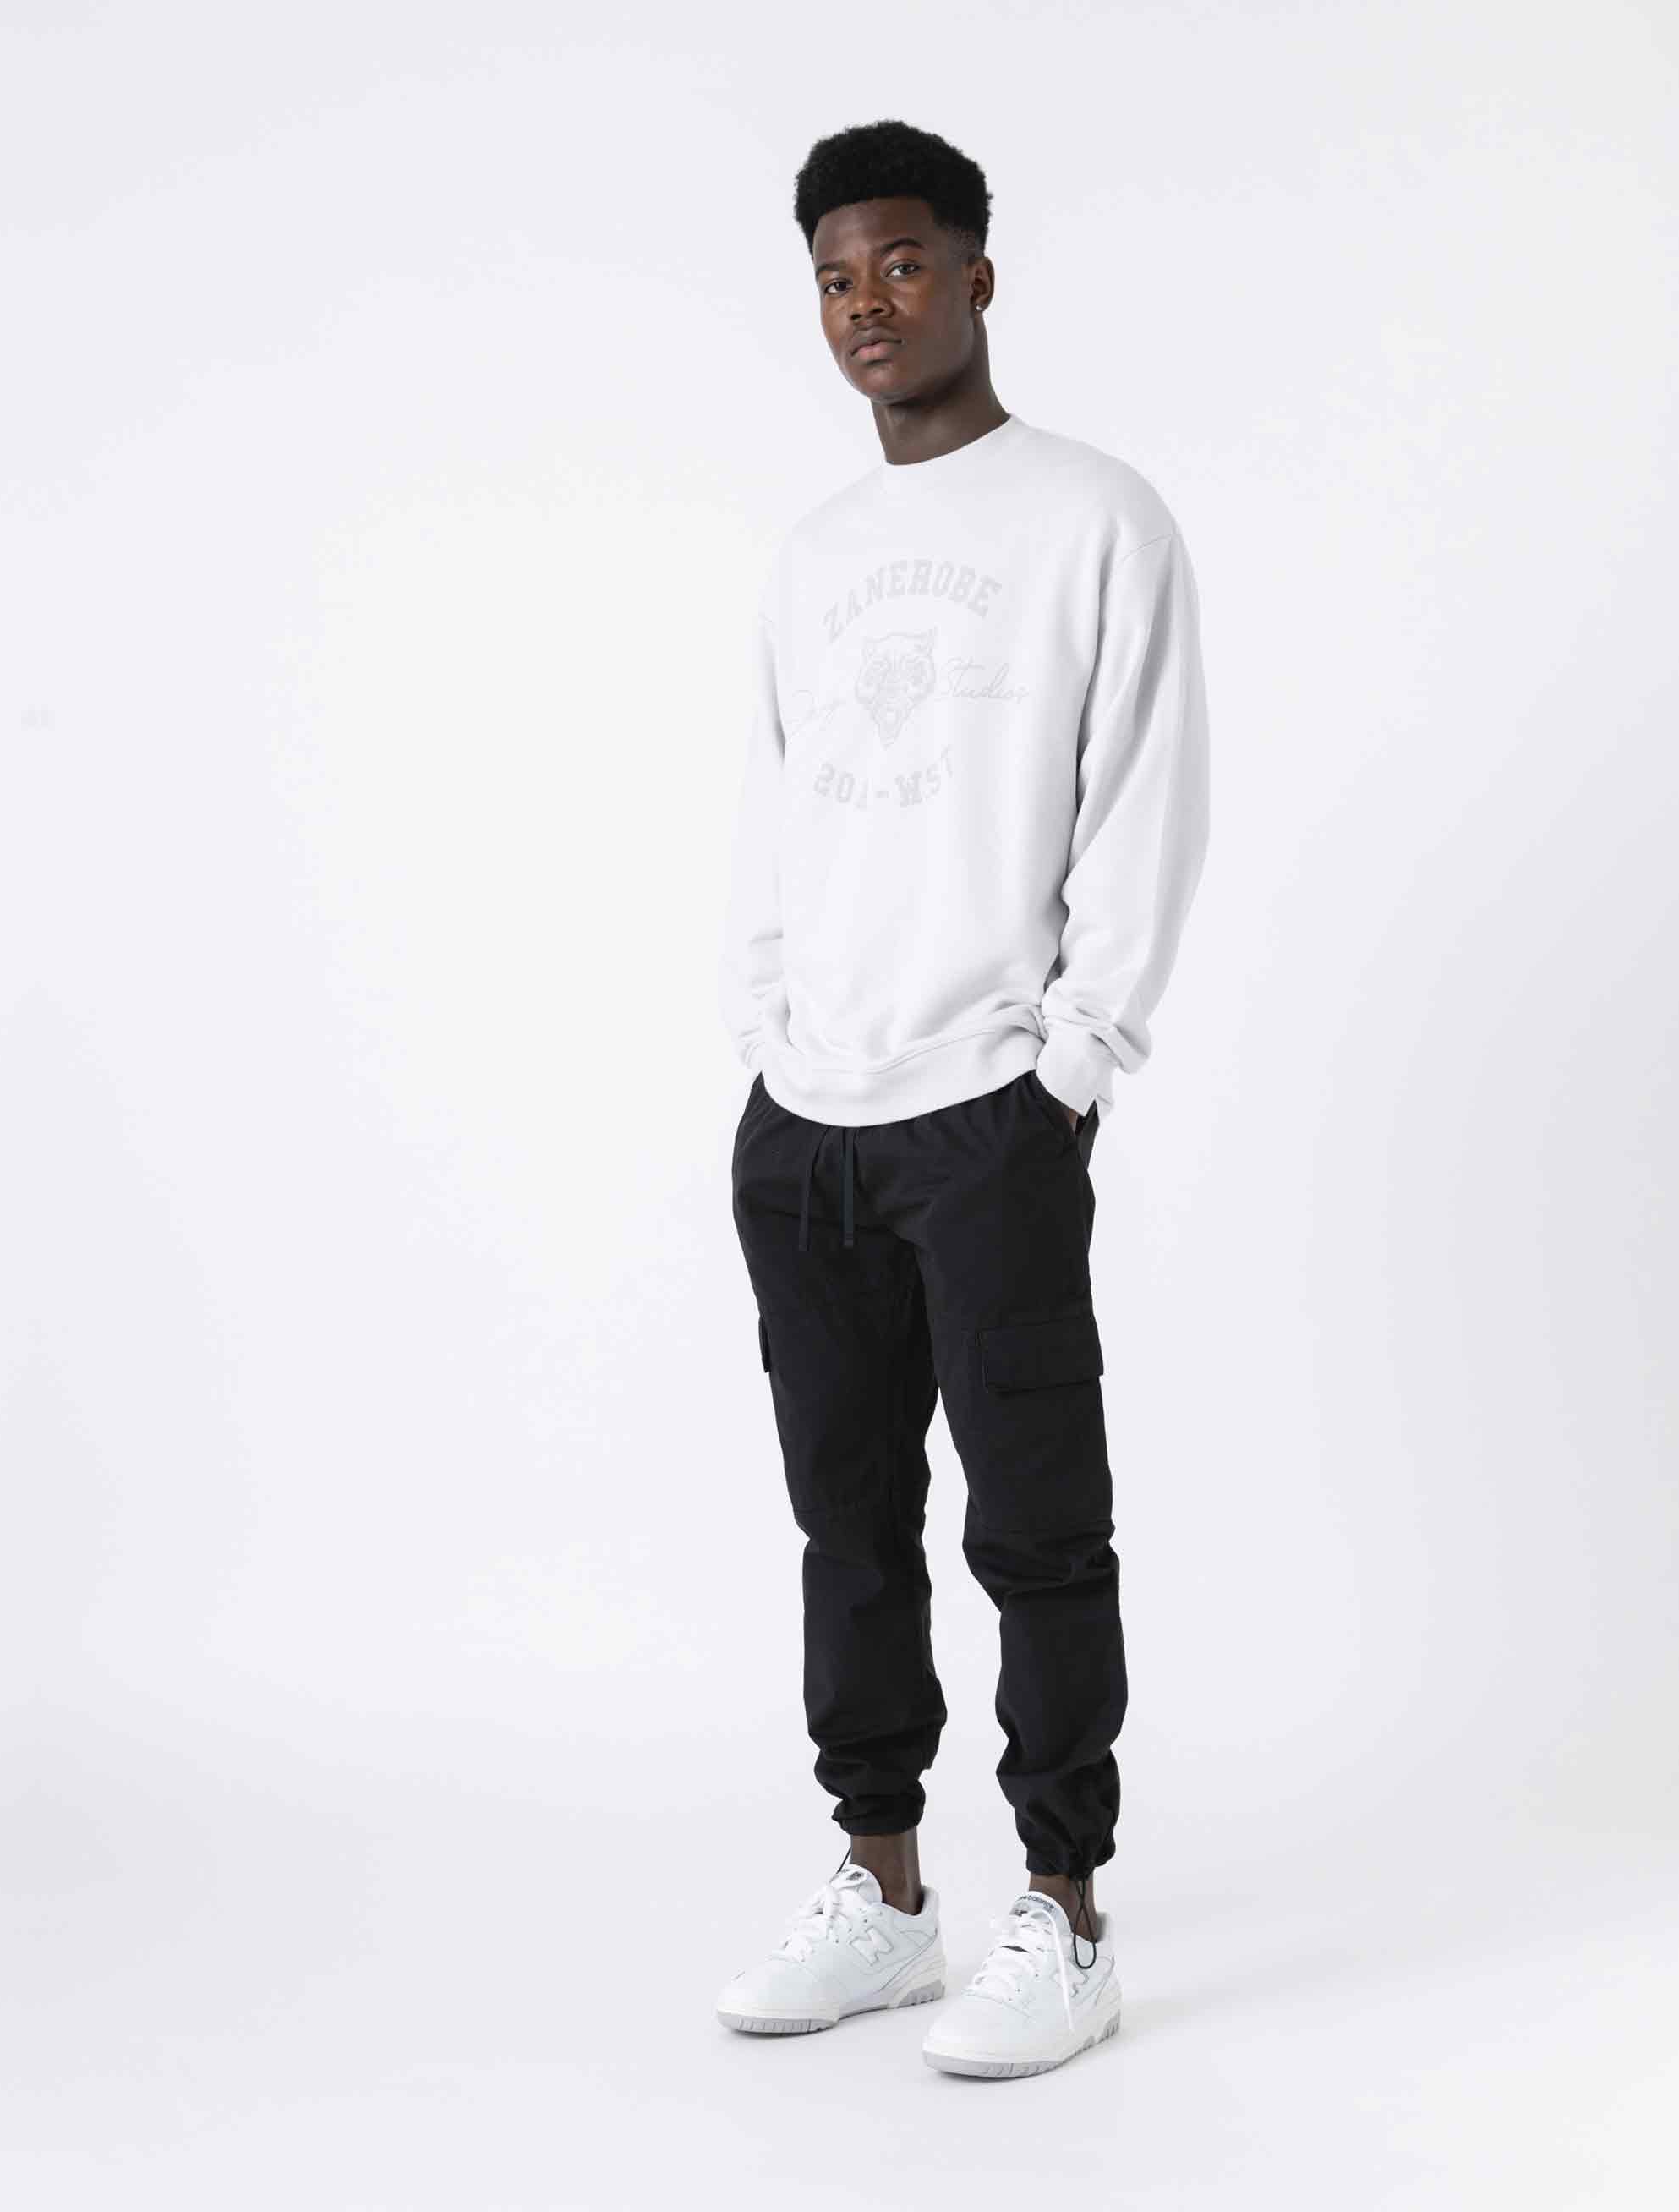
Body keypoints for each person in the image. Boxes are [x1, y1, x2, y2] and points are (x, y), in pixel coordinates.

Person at [714, 118, 1210, 2078]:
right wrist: (766, 1034)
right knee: (847, 1531)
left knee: (1038, 1531)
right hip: (806, 1125)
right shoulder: (810, 555)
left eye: (903, 264)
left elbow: (1145, 799)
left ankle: (1064, 1913)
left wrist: (1070, 1068)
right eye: (837, 278)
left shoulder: (1095, 516)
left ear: (978, 276)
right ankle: (886, 1893)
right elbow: (771, 810)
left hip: (989, 1112)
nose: (868, 305)